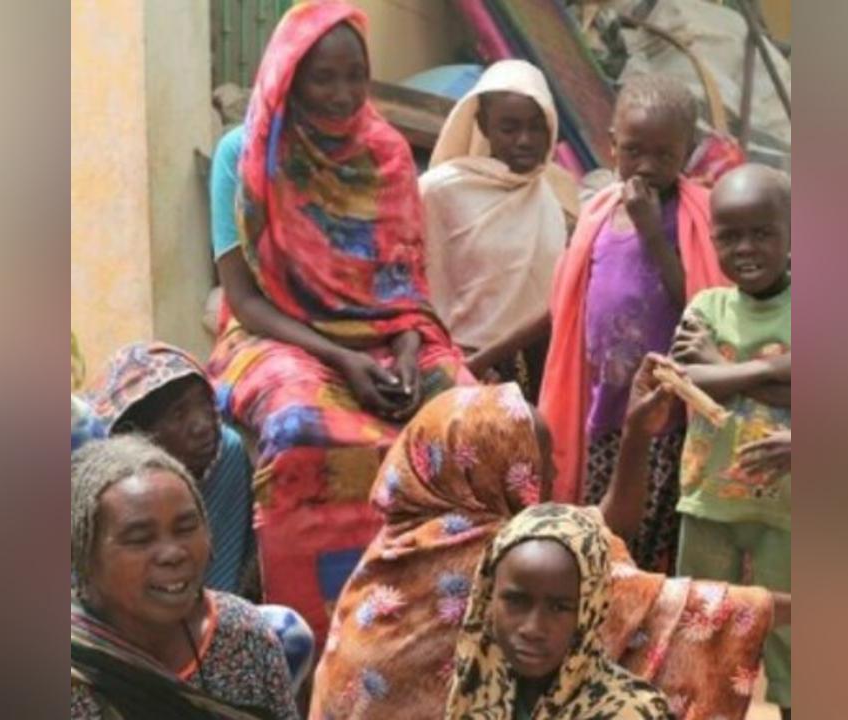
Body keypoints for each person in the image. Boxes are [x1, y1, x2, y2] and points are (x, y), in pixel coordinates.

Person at [310, 357, 781, 720]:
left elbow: (590, 534)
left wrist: (636, 434)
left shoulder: (410, 537)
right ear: (490, 467)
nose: (554, 472)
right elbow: (663, 601)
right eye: (536, 464)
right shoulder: (484, 554)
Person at [206, 0, 471, 645]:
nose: (342, 93)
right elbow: (243, 298)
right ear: (288, 77)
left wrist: (406, 355)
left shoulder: (386, 155)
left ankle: (456, 622)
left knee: (473, 419)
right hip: (276, 334)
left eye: (355, 76)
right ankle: (317, 637)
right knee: (303, 428)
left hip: (389, 334)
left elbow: (403, 287)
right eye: (324, 78)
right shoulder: (243, 157)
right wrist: (344, 360)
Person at [531, 74, 730, 573]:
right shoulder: (597, 212)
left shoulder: (697, 217)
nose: (647, 165)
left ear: (686, 154)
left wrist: (651, 232)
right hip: (602, 404)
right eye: (635, 150)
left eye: (664, 155)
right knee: (599, 523)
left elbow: (703, 307)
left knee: (649, 530)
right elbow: (569, 304)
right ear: (612, 145)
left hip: (665, 413)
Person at [83, 342, 314, 691]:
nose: (203, 425)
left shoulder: (226, 457)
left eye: (206, 406)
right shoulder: (94, 492)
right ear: (134, 433)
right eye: (179, 415)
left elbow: (214, 590)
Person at [670, 163, 792, 718]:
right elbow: (686, 379)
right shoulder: (707, 307)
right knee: (703, 627)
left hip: (789, 507)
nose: (746, 247)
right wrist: (781, 370)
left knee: (792, 637)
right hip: (709, 500)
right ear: (711, 235)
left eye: (763, 232)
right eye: (730, 235)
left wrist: (724, 367)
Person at [70, 435, 297, 719]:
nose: (173, 553)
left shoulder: (243, 634)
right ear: (85, 556)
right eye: (140, 539)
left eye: (186, 528)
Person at [418, 59, 578, 401]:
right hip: (456, 364)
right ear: (483, 125)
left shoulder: (554, 196)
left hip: (533, 371)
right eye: (510, 128)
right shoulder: (439, 192)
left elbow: (552, 307)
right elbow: (421, 287)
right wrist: (457, 364)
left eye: (537, 127)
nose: (525, 140)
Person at [444, 504, 673, 720]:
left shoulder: (632, 712)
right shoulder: (478, 685)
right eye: (516, 601)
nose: (533, 629)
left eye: (559, 607)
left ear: (590, 611)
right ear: (488, 597)